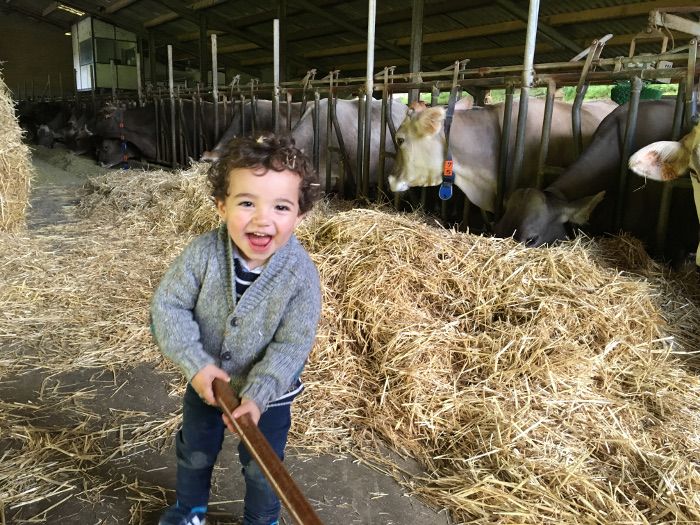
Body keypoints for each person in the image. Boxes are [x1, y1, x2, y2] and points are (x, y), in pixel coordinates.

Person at [151, 134, 322, 525]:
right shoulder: (202, 254)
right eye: (247, 203)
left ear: (299, 215)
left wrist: (259, 396)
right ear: (221, 206)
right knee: (195, 450)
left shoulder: (300, 274)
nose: (262, 219)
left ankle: (261, 521)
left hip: (270, 397)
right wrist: (196, 365)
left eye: (281, 207)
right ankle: (190, 510)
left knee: (262, 468)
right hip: (209, 384)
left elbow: (292, 344)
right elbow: (168, 306)